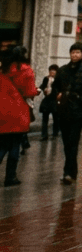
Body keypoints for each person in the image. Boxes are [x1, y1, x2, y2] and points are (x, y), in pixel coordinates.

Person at [55, 42, 82, 184]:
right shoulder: (62, 70)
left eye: (77, 52)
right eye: (72, 52)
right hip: (63, 109)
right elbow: (55, 87)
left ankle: (68, 172)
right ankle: (71, 172)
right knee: (66, 142)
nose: (74, 55)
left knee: (73, 141)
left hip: (79, 111)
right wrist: (57, 94)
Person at [1, 46, 36, 186]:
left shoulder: (3, 70)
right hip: (18, 112)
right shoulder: (27, 71)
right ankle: (10, 177)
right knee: (15, 144)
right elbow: (29, 92)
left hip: (2, 111)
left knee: (2, 144)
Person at [38, 65, 60, 140]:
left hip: (54, 100)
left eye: (53, 72)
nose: (52, 73)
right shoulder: (46, 78)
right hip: (47, 100)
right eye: (50, 71)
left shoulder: (58, 80)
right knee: (45, 119)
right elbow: (42, 86)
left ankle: (55, 134)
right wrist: (41, 90)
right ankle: (44, 135)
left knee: (56, 118)